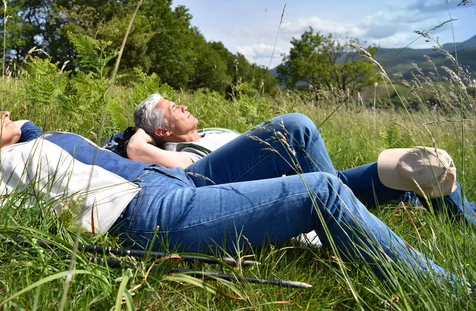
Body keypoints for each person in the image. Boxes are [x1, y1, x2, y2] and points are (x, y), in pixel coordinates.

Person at [0, 95, 469, 286]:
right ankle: (453, 291)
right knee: (323, 192)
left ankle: (376, 204)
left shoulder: (29, 140)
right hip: (155, 214)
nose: (7, 112)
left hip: (182, 180)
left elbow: (28, 131)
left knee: (295, 128)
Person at [129, 93, 476, 228]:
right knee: (296, 126)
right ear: (161, 130)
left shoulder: (215, 132)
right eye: (174, 109)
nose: (184, 106)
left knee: (420, 165)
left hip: (314, 181)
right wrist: (138, 138)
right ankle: (345, 221)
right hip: (279, 195)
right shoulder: (182, 157)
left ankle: (467, 223)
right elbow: (146, 157)